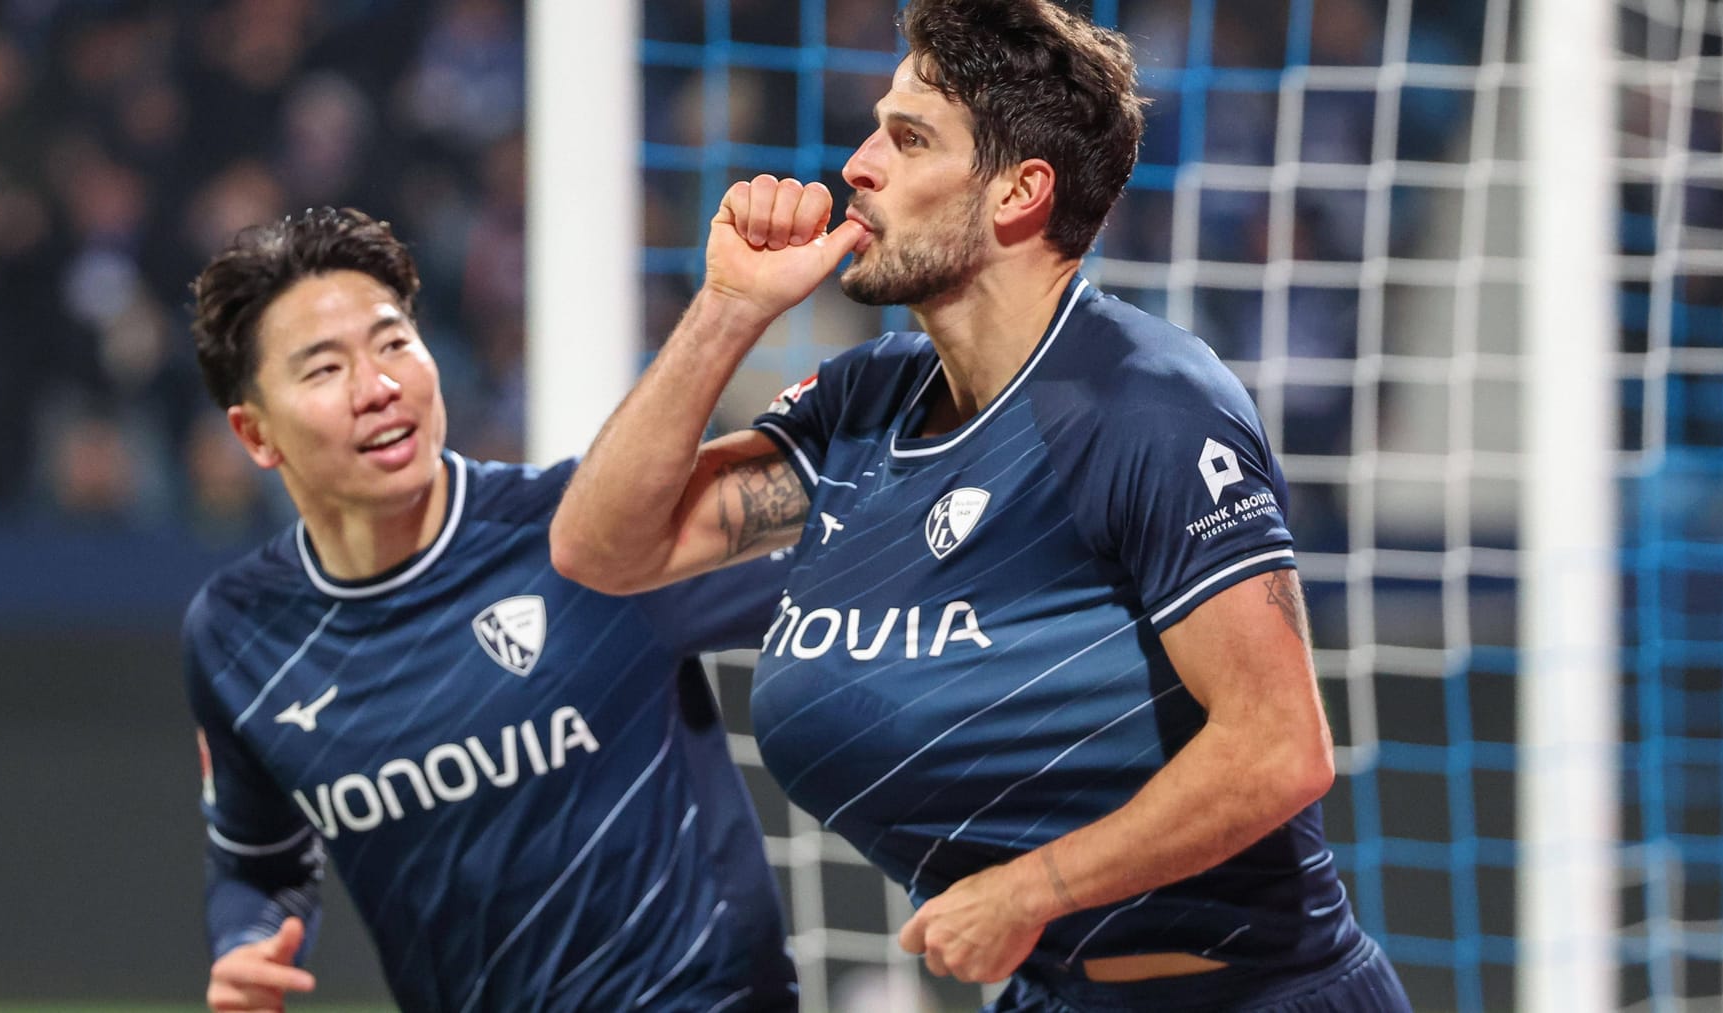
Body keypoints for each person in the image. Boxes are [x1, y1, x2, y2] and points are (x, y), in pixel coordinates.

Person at [549, 1, 1412, 1010]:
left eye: (909, 138)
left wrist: (1031, 890)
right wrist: (728, 310)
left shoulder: (1147, 405)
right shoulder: (863, 404)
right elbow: (603, 547)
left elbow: (1278, 746)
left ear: (1019, 191)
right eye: (875, 130)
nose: (858, 165)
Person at [183, 207, 797, 1013]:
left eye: (393, 342)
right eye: (325, 369)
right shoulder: (239, 634)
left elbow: (863, 555)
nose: (379, 388)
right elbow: (257, 863)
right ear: (255, 434)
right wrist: (246, 942)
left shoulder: (589, 532)